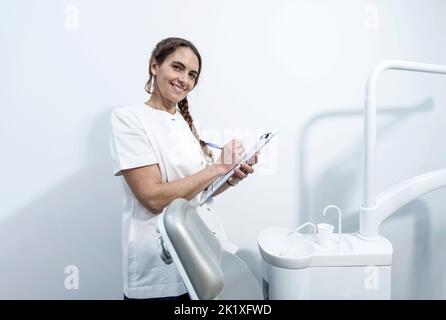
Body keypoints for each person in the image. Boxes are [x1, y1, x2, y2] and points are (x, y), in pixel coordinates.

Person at [109, 37, 258, 300]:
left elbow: (197, 193)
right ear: (155, 66)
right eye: (177, 67)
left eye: (192, 75)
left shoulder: (182, 122)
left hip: (200, 256)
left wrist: (231, 175)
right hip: (159, 266)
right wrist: (218, 167)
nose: (184, 80)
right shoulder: (129, 119)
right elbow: (153, 198)